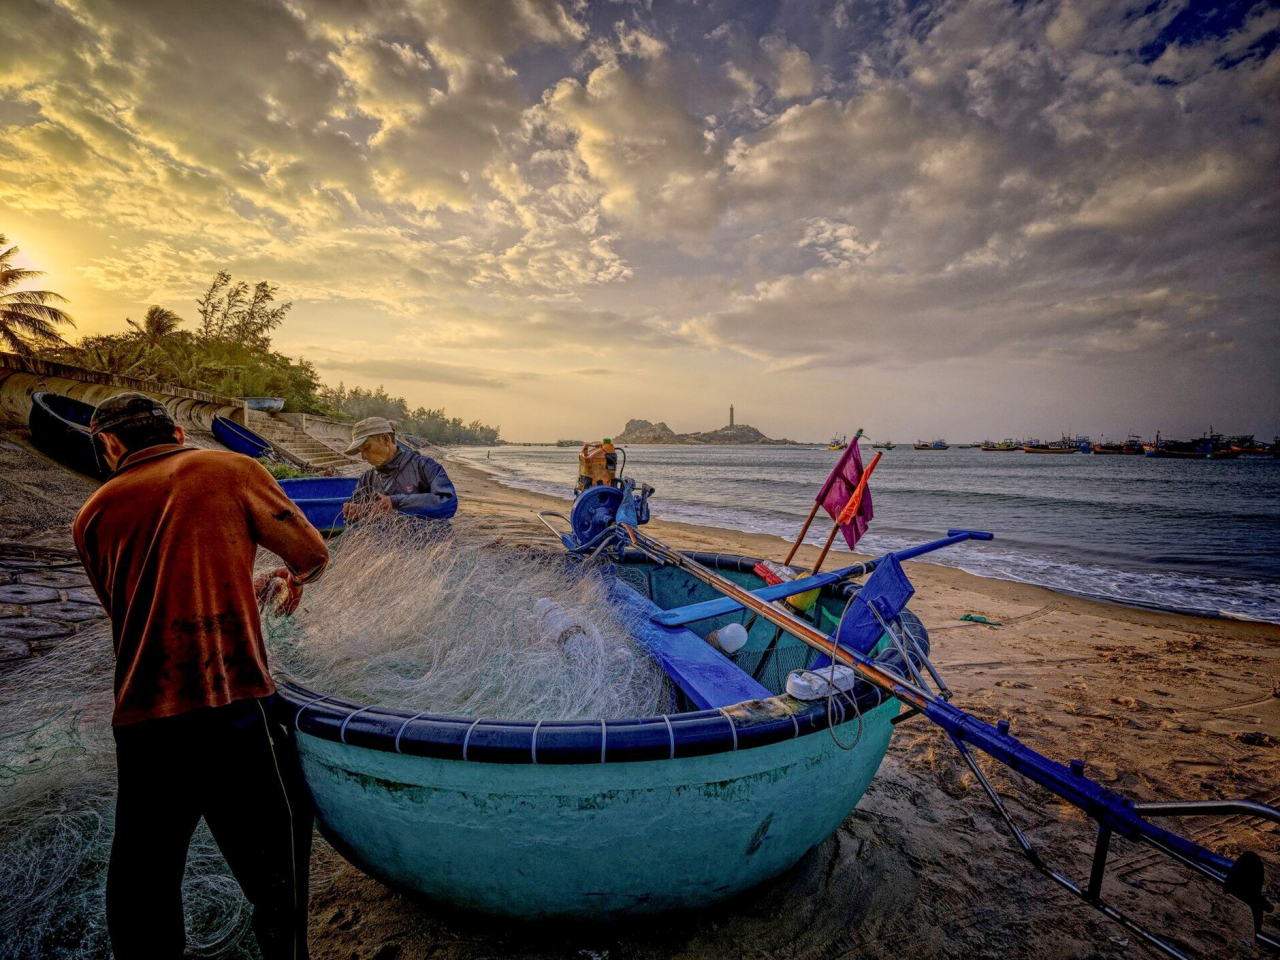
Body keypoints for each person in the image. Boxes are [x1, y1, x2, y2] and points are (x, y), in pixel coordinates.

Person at [72, 392, 329, 960]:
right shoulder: (231, 468)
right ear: (178, 434)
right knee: (278, 864)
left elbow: (140, 610)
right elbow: (311, 554)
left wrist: (245, 582)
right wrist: (281, 578)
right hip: (234, 704)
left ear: (111, 446)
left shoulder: (91, 515)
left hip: (142, 718)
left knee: (144, 874)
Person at [341, 416, 458, 522]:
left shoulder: (425, 466)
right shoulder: (367, 478)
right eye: (360, 451)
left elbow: (448, 503)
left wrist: (396, 502)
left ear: (386, 439)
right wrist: (352, 512)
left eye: (366, 448)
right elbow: (355, 508)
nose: (363, 457)